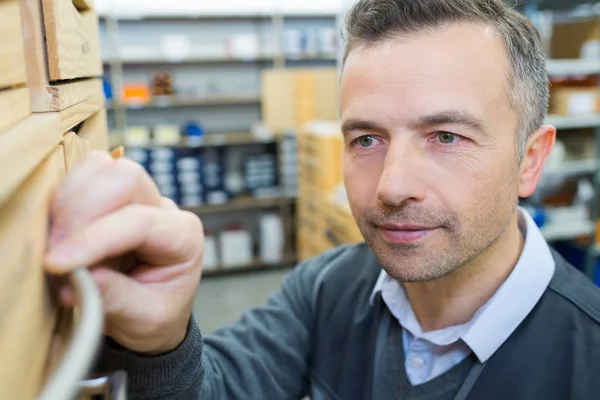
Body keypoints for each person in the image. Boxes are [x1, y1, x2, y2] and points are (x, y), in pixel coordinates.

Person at [45, 0, 600, 399]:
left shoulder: (587, 359)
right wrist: (159, 343)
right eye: (366, 139)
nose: (390, 185)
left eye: (446, 137)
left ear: (531, 159)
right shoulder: (326, 287)